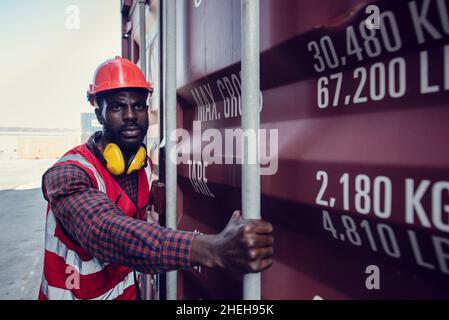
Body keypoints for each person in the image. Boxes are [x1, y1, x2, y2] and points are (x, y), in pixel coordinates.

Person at [38, 57, 274, 300]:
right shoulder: (68, 174)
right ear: (99, 114)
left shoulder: (143, 166)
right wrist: (211, 248)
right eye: (118, 107)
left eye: (139, 106)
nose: (130, 115)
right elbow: (103, 229)